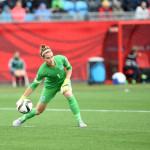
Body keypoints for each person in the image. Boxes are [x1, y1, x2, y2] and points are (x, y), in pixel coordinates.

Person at [13, 44, 87, 127]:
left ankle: (79, 121)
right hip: (50, 87)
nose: (51, 59)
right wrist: (23, 97)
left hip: (63, 82)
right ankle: (22, 119)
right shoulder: (42, 70)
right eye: (48, 58)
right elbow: (34, 85)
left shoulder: (61, 58)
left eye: (52, 56)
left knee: (68, 94)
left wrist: (66, 81)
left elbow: (69, 68)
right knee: (38, 110)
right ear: (43, 59)